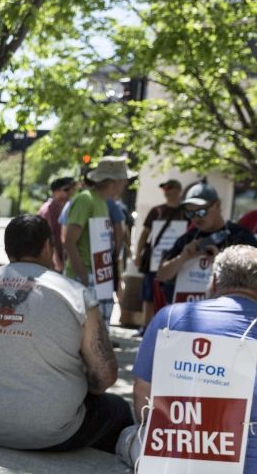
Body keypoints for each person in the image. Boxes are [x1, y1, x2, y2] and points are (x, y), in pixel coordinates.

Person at [0, 215, 131, 453]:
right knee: (118, 410)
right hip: (50, 431)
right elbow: (105, 375)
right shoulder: (75, 294)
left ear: (7, 249)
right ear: (47, 247)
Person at [131, 245, 257, 468]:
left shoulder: (170, 317)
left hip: (176, 460)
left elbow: (143, 400)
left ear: (215, 281)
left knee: (127, 436)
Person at [64, 156, 134, 326]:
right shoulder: (85, 199)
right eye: (123, 179)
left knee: (100, 334)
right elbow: (69, 240)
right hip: (85, 277)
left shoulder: (103, 202)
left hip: (100, 277)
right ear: (113, 181)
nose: (126, 183)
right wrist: (82, 275)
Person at [156, 182, 257, 288]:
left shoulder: (240, 236)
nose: (196, 218)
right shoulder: (188, 238)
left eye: (201, 212)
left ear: (217, 205)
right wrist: (182, 258)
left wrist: (219, 262)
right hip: (190, 302)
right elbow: (161, 275)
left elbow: (253, 277)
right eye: (190, 213)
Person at [132, 179, 186, 335]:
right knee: (148, 293)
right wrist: (138, 254)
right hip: (154, 259)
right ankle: (146, 327)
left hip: (175, 261)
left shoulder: (185, 212)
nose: (167, 191)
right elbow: (145, 234)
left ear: (178, 190)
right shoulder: (156, 211)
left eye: (170, 188)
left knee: (171, 293)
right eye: (164, 189)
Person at [37, 176, 74, 271]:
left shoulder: (66, 208)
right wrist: (57, 264)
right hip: (52, 264)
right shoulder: (47, 210)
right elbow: (49, 239)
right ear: (55, 191)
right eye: (66, 189)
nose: (69, 193)